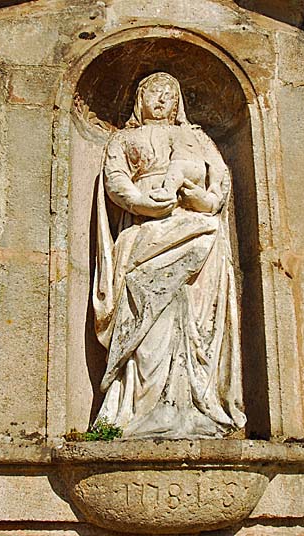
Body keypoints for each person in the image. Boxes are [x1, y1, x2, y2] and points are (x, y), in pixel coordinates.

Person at [92, 72, 246, 438]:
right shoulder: (124, 139)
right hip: (145, 232)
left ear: (178, 102)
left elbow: (219, 183)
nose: (161, 101)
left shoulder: (197, 138)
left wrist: (202, 200)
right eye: (153, 94)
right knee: (149, 317)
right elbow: (116, 180)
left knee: (194, 320)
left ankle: (191, 407)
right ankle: (142, 409)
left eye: (169, 94)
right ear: (139, 99)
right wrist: (143, 202)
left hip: (196, 231)